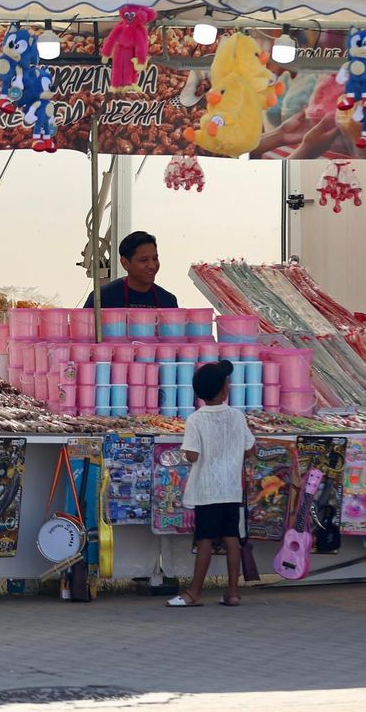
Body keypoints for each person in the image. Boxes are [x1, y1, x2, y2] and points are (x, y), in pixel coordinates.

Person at [167, 360, 254, 607]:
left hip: (207, 489)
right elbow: (250, 450)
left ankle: (195, 592)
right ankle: (233, 592)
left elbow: (192, 455)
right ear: (224, 390)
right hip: (231, 489)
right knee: (231, 538)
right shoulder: (237, 417)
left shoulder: (196, 420)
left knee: (205, 538)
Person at [83, 231, 178, 309]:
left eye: (155, 259)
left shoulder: (168, 301)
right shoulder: (101, 298)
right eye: (143, 260)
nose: (152, 266)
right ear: (125, 263)